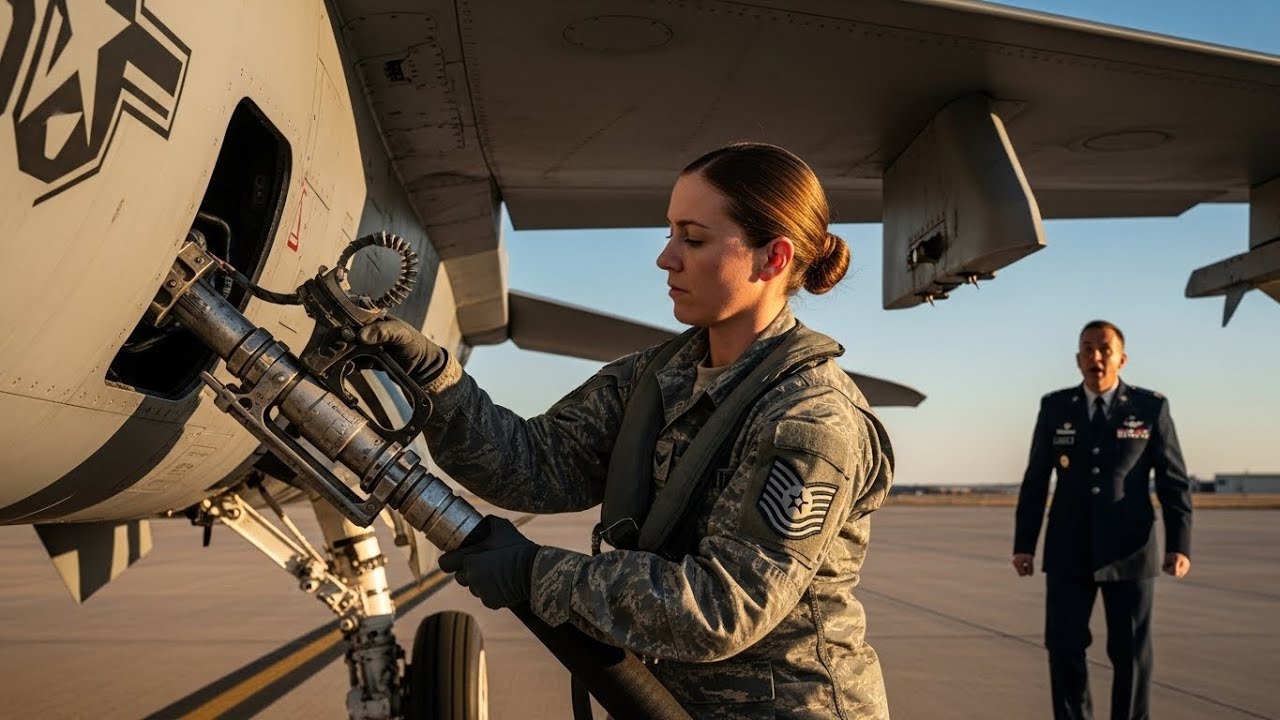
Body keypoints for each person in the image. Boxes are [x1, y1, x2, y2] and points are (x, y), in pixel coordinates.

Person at [359, 143, 894, 719]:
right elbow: (532, 467)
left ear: (772, 259)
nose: (666, 258)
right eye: (670, 234)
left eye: (692, 238)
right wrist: (437, 382)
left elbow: (722, 607)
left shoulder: (811, 421)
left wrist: (537, 573)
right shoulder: (655, 379)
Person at [1012, 320, 1193, 720]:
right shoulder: (1055, 406)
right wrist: (1024, 544)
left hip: (1130, 552)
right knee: (1064, 650)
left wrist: (1180, 544)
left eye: (1105, 349)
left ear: (1122, 358)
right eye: (1088, 349)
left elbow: (1173, 480)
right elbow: (1036, 479)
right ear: (1077, 358)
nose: (1096, 356)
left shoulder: (1151, 407)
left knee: (1131, 653)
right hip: (1068, 551)